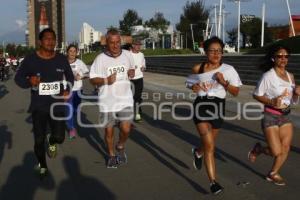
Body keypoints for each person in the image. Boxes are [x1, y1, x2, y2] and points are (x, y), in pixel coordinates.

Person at [14, 28, 74, 178]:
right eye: (47, 39)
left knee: (59, 137)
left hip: (57, 105)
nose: (50, 41)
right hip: (39, 106)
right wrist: (29, 81)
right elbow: (18, 78)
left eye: (53, 39)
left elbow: (70, 77)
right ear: (40, 42)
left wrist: (67, 89)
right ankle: (42, 165)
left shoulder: (61, 58)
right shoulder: (31, 59)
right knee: (38, 140)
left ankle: (52, 140)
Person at [186, 36, 242, 195]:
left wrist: (224, 82)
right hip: (201, 105)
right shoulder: (198, 68)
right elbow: (190, 83)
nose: (216, 54)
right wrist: (194, 87)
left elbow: (236, 92)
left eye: (219, 51)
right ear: (205, 52)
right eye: (212, 51)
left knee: (208, 143)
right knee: (210, 145)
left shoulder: (229, 70)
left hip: (218, 106)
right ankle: (213, 182)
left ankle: (198, 152)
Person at [249, 44, 300, 186]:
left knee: (286, 148)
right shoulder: (268, 76)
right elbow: (256, 94)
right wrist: (272, 101)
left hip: (286, 115)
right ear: (273, 58)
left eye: (286, 56)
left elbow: (293, 102)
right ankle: (259, 149)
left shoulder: (290, 76)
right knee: (276, 151)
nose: (283, 58)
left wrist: (296, 94)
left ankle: (273, 173)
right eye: (279, 56)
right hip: (271, 115)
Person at [89, 29, 135, 169]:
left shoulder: (128, 55)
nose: (115, 46)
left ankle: (120, 145)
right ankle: (111, 155)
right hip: (107, 102)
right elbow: (92, 80)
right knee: (109, 131)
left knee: (126, 129)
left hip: (125, 100)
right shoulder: (100, 59)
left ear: (120, 42)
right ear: (106, 43)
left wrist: (131, 72)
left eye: (117, 42)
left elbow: (131, 69)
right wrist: (106, 80)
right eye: (112, 43)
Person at [66, 44, 89, 139]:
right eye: (70, 51)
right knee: (69, 110)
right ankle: (71, 128)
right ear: (67, 52)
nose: (72, 53)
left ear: (76, 53)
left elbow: (87, 73)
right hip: (67, 90)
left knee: (75, 110)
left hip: (78, 90)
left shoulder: (80, 63)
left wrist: (81, 76)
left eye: (74, 51)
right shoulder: (63, 62)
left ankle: (72, 121)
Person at [130, 39, 146, 122]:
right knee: (129, 98)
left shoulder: (141, 54)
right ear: (133, 45)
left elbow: (143, 64)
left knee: (138, 97)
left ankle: (137, 114)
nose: (139, 46)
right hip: (130, 80)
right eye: (137, 45)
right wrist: (131, 68)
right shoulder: (128, 54)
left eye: (140, 45)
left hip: (139, 78)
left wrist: (143, 67)